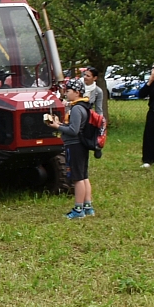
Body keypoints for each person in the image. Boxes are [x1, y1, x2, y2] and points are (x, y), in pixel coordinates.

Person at [45, 82, 96, 218]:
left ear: (77, 92)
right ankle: (88, 206)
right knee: (84, 176)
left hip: (75, 146)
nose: (66, 93)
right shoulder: (84, 106)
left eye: (68, 91)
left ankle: (78, 210)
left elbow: (74, 130)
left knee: (77, 178)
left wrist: (57, 127)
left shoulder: (76, 109)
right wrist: (61, 124)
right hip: (81, 145)